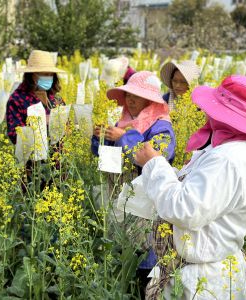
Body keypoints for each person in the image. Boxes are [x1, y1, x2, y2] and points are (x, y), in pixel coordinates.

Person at [134, 75, 246, 299]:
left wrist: (154, 164)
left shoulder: (227, 159)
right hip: (208, 271)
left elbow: (185, 209)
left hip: (203, 281)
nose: (207, 112)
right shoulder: (235, 149)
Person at [91, 71, 176, 297]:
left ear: (150, 101)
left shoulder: (161, 127)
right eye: (128, 95)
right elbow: (106, 161)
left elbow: (157, 157)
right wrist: (100, 139)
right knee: (121, 258)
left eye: (136, 97)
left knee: (144, 261)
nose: (130, 100)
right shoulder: (123, 122)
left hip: (146, 207)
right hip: (121, 202)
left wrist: (123, 137)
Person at [6, 50, 65, 190]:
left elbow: (66, 126)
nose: (48, 77)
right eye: (44, 74)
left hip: (57, 167)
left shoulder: (55, 98)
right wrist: (39, 122)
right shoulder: (17, 99)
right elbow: (15, 135)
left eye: (50, 74)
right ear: (32, 75)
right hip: (32, 168)